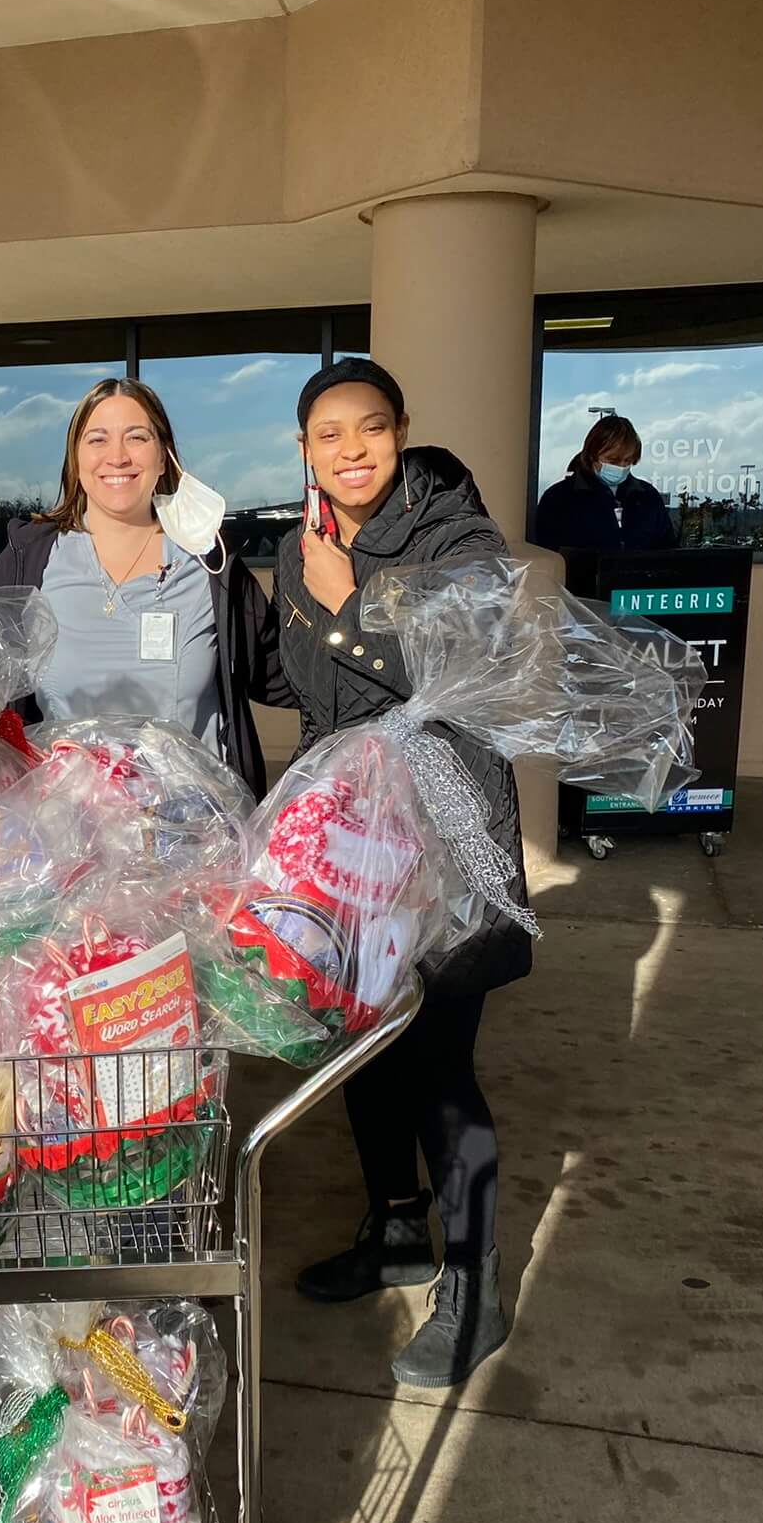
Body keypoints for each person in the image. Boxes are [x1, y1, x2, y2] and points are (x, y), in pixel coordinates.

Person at [276, 356, 528, 1388]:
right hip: (352, 838)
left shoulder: (457, 534)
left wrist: (354, 601)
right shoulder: (304, 544)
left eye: (369, 428)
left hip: (447, 828)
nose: (351, 450)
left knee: (439, 1061)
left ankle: (476, 1286)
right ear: (304, 450)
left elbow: (465, 672)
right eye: (329, 433)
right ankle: (393, 1228)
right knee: (363, 1046)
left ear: (401, 429)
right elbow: (314, 699)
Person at [0, 376, 283, 796]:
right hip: (70, 839)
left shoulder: (210, 565)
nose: (118, 457)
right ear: (75, 458)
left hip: (198, 838)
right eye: (98, 439)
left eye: (137, 437)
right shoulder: (27, 564)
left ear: (164, 458)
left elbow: (280, 677)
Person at [535, 412, 677, 553]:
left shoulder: (648, 496)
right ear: (592, 455)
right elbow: (546, 556)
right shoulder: (558, 498)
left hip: (638, 575)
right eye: (613, 460)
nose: (621, 467)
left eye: (627, 461)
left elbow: (667, 550)